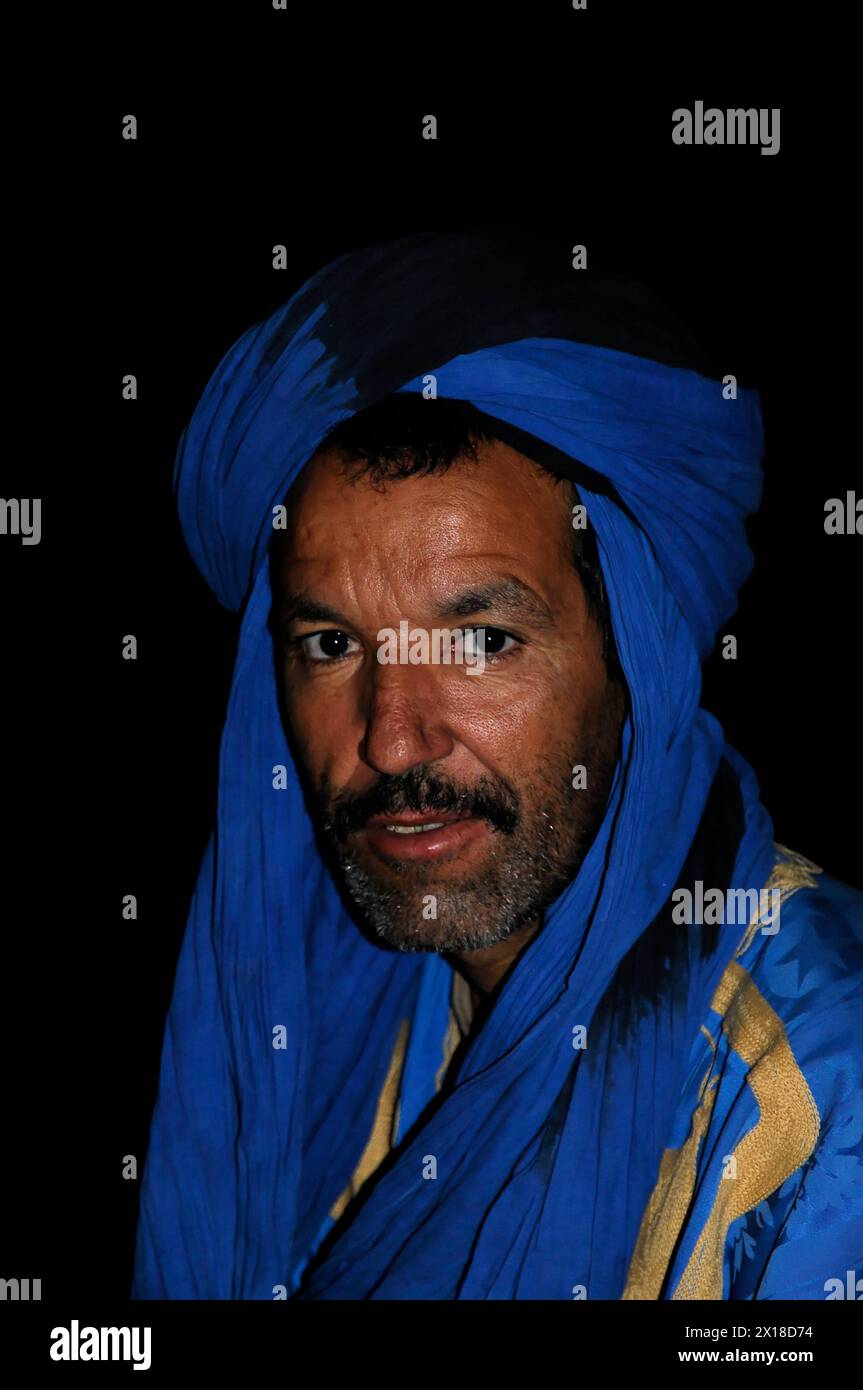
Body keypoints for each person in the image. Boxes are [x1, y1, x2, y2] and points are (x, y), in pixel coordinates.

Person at [131, 230, 863, 1301]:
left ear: (635, 656)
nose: (392, 739)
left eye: (480, 640)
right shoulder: (320, 1003)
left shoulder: (815, 1094)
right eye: (332, 645)